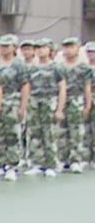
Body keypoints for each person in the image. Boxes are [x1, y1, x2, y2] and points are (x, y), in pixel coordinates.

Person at [27, 40, 65, 177]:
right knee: (35, 133)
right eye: (37, 48)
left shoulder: (56, 67)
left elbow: (62, 88)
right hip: (35, 101)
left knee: (50, 133)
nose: (40, 50)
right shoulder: (32, 68)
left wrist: (60, 109)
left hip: (50, 101)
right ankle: (38, 163)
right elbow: (28, 87)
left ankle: (52, 163)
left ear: (50, 49)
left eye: (43, 48)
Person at [0, 34, 27, 180]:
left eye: (7, 46)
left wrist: (22, 107)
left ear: (14, 47)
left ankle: (12, 165)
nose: (4, 49)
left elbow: (25, 85)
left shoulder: (19, 65)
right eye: (2, 46)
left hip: (13, 100)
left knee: (13, 134)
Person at [62, 38, 89, 172]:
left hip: (77, 100)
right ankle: (63, 159)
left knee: (76, 131)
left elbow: (87, 87)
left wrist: (87, 104)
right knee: (61, 131)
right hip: (62, 100)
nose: (68, 50)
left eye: (71, 47)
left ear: (77, 48)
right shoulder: (60, 66)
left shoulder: (84, 67)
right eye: (66, 47)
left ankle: (76, 160)